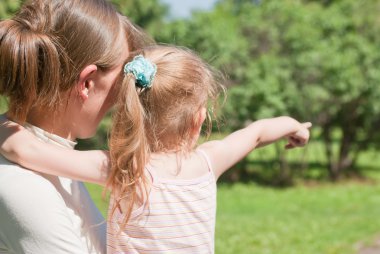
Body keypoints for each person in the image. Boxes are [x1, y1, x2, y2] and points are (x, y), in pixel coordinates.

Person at [0, 45, 311, 253]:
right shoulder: (208, 161)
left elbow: (25, 151)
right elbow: (257, 133)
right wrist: (295, 125)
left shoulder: (122, 169)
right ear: (198, 120)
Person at [0, 0, 149, 253]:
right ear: (87, 83)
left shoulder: (50, 159)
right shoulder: (25, 187)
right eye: (122, 78)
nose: (123, 94)